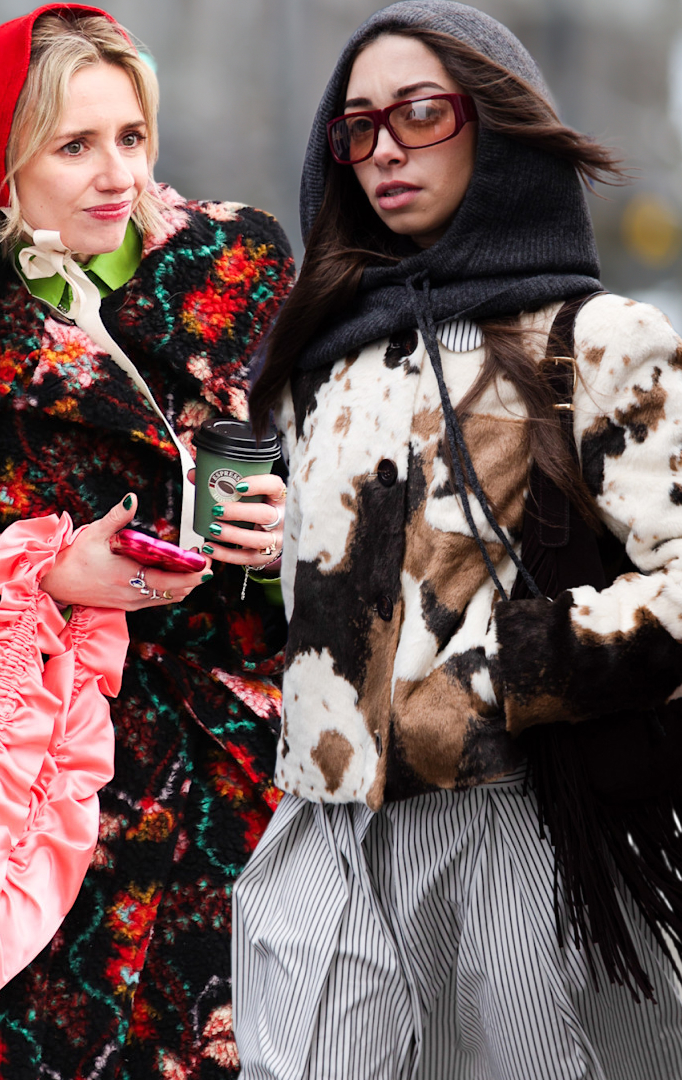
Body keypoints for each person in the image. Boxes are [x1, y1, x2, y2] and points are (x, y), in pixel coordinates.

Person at [0, 6, 295, 1076]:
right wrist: (35, 579)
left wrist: (285, 535)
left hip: (222, 787)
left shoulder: (236, 268)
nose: (116, 174)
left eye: (132, 136)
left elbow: (354, 481)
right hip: (6, 792)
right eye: (73, 146)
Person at [235, 2, 682, 1075]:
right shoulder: (318, 362)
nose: (384, 149)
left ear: (497, 122)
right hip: (324, 828)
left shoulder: (596, 339)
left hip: (515, 819)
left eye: (421, 114)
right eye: (358, 127)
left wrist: (509, 676)